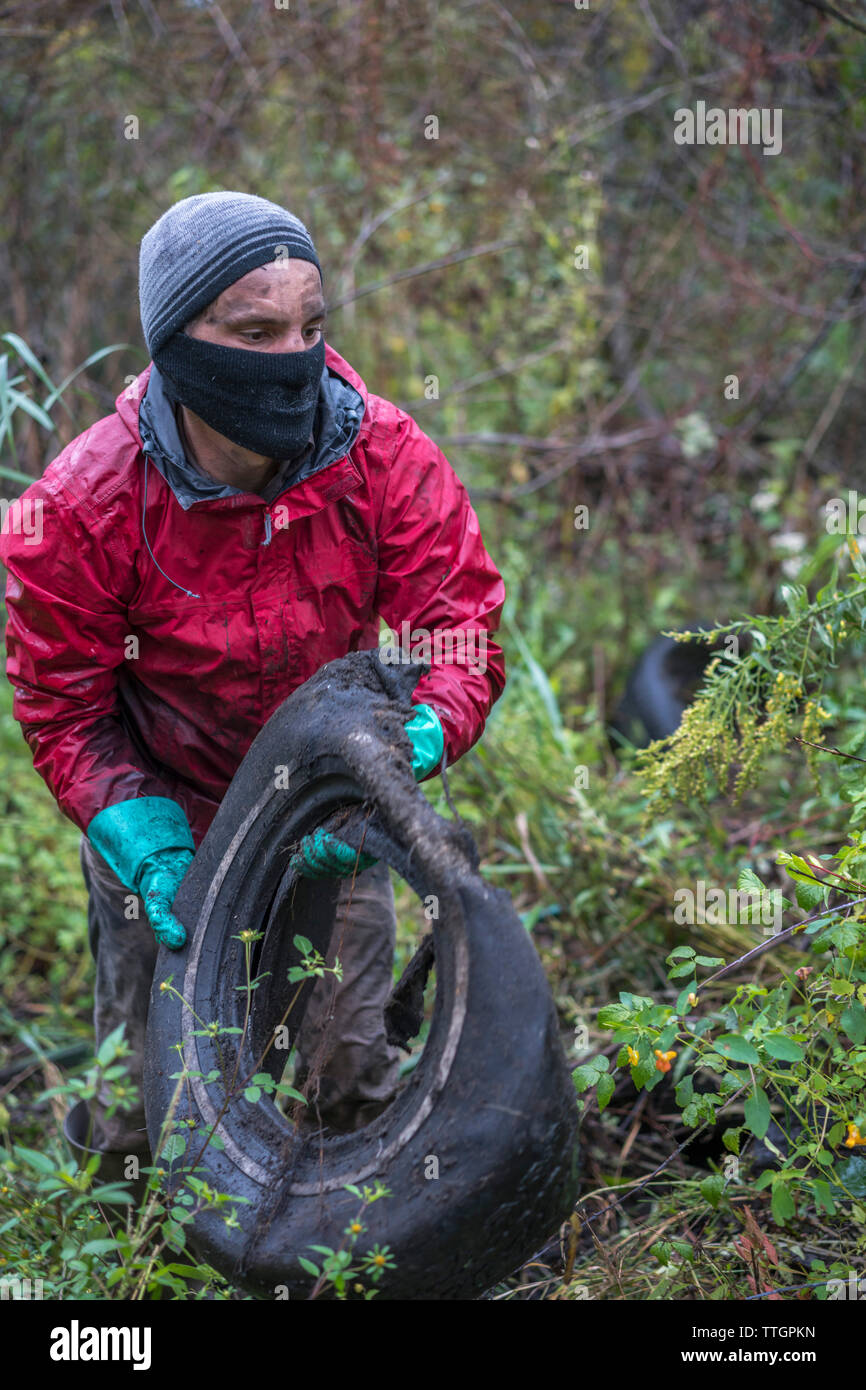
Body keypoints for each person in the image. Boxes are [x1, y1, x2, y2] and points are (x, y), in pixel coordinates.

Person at [0, 191, 505, 1170]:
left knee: (347, 1076)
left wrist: (412, 747)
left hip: (333, 803)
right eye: (255, 330)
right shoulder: (85, 503)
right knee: (146, 1114)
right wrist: (141, 836)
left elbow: (460, 627)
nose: (292, 356)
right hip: (169, 821)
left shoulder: (382, 455)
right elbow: (64, 704)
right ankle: (137, 1251)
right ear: (178, 344)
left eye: (310, 327)